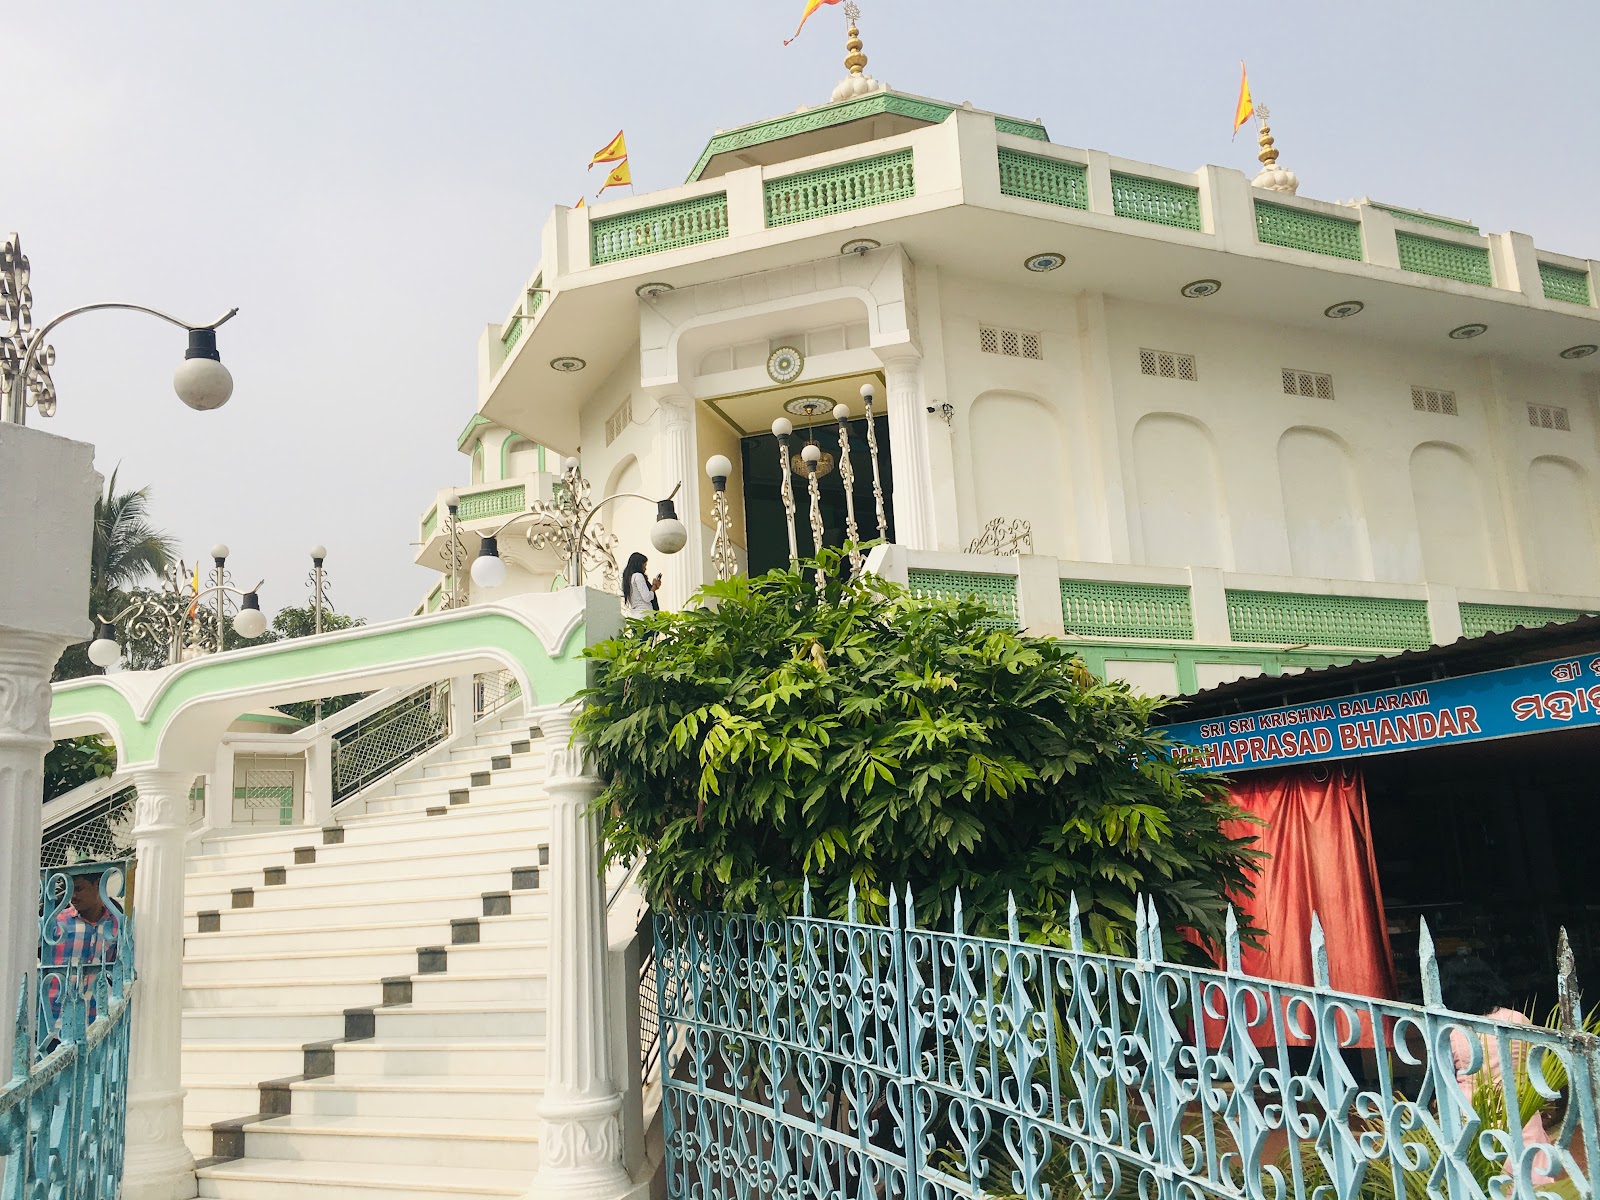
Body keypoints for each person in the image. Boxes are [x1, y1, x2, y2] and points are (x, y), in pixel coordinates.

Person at [1441, 956, 1554, 1183]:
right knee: (1531, 1177)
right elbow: (1536, 1065)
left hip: (1471, 1114)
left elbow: (1444, 1078)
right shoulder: (1516, 1019)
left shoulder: (1449, 1030)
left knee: (1484, 1182)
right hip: (1520, 1109)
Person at [46, 871, 122, 1035]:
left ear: (98, 884)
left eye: (78, 888)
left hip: (93, 1023)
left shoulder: (116, 923)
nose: (72, 895)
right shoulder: (56, 922)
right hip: (51, 1023)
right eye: (69, 889)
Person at [621, 551, 661, 618]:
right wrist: (654, 586)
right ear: (639, 565)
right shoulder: (638, 576)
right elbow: (647, 597)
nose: (645, 568)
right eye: (645, 565)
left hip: (635, 616)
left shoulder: (629, 578)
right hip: (645, 616)